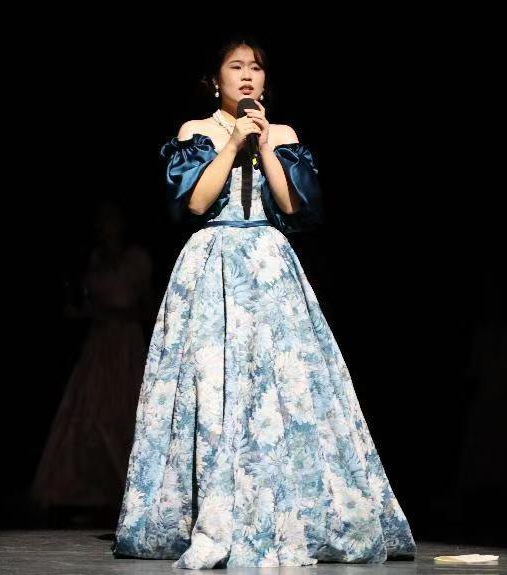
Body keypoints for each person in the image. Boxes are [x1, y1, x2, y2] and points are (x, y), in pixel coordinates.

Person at [112, 38, 416, 568]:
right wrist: (233, 143)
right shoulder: (196, 131)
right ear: (215, 80)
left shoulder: (283, 134)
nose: (247, 75)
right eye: (236, 67)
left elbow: (293, 205)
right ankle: (204, 510)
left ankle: (292, 508)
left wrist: (264, 141)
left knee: (284, 385)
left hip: (269, 265)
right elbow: (196, 202)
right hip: (213, 264)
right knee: (213, 384)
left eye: (255, 67)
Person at [31, 201, 153, 523]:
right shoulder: (97, 259)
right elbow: (89, 302)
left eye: (112, 219)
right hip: (99, 343)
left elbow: (146, 305)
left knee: (123, 411)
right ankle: (89, 492)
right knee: (90, 413)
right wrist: (84, 312)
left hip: (125, 343)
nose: (107, 226)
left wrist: (116, 314)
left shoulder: (135, 259)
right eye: (103, 220)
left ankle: (130, 492)